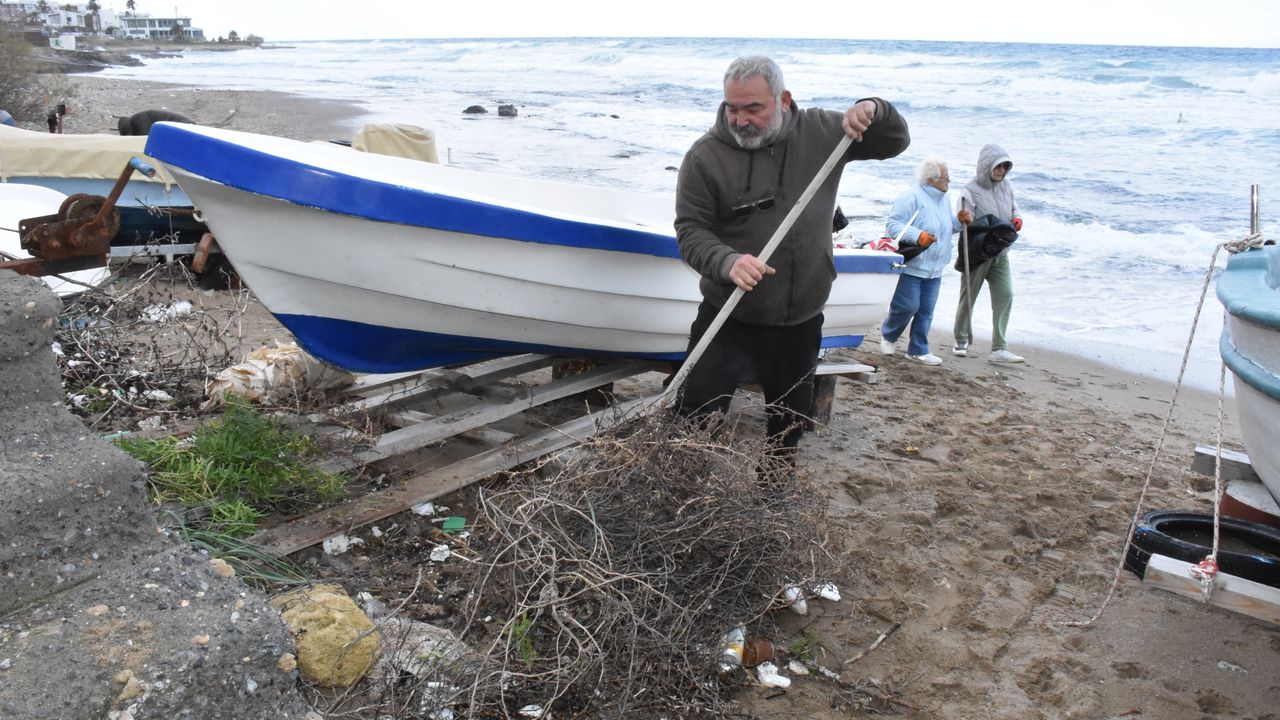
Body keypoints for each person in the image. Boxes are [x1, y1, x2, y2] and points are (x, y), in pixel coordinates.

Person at [673, 55, 910, 463]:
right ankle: (683, 487)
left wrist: (873, 108)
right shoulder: (704, 157)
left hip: (800, 317)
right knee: (694, 416)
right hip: (729, 313)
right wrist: (727, 261)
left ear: (783, 100)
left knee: (787, 427)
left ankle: (774, 493)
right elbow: (690, 230)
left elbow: (894, 141)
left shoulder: (823, 132)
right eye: (732, 108)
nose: (741, 120)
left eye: (753, 108)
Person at [879, 157, 970, 365]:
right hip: (912, 264)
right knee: (907, 307)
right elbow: (893, 225)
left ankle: (918, 350)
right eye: (945, 177)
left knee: (926, 311)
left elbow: (945, 228)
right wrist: (918, 236)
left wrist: (959, 222)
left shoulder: (944, 199)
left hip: (935, 267)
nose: (949, 181)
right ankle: (889, 335)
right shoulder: (911, 196)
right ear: (931, 180)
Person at [953, 143, 1024, 364]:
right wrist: (964, 217)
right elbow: (962, 218)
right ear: (987, 166)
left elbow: (1014, 208)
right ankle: (961, 339)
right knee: (969, 296)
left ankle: (999, 347)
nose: (1002, 170)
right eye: (998, 166)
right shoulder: (969, 190)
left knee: (1005, 294)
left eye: (1005, 167)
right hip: (978, 252)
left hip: (1001, 251)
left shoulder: (1006, 187)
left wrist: (1017, 219)